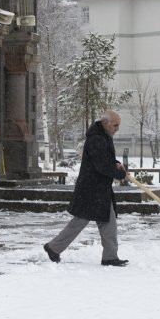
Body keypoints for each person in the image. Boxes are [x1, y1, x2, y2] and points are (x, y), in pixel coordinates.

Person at [43, 110, 130, 267]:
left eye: (118, 125)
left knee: (108, 222)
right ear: (105, 123)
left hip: (100, 190)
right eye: (115, 125)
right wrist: (120, 174)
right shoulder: (96, 140)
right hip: (91, 190)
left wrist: (116, 164)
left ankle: (110, 256)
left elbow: (106, 160)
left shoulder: (104, 137)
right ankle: (53, 247)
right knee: (79, 222)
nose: (117, 129)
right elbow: (101, 165)